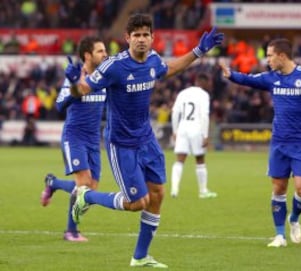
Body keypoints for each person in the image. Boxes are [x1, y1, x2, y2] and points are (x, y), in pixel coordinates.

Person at [64, 13, 223, 268]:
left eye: (145, 34)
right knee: (137, 203)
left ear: (152, 38)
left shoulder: (153, 60)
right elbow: (82, 90)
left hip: (146, 140)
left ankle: (140, 256)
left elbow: (170, 68)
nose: (141, 39)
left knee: (158, 194)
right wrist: (74, 82)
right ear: (127, 38)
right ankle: (86, 197)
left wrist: (198, 51)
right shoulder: (113, 66)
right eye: (136, 35)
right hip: (121, 144)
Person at [219, 38, 301, 247]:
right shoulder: (271, 78)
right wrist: (231, 75)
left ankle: (294, 219)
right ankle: (279, 235)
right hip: (279, 143)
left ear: (282, 56)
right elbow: (250, 79)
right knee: (278, 188)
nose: (268, 60)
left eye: (270, 55)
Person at [40, 36, 107, 241]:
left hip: (94, 140)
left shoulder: (105, 77)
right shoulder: (74, 76)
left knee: (90, 191)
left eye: (105, 51)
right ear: (87, 55)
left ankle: (53, 183)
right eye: (100, 51)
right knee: (83, 184)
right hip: (74, 137)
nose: (105, 54)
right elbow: (60, 106)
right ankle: (71, 231)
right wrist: (74, 85)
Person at [170, 73, 217, 199]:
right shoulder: (204, 95)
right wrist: (206, 134)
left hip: (182, 127)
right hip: (196, 128)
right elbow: (204, 115)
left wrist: (175, 131)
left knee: (179, 159)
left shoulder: (183, 93)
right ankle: (203, 191)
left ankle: (174, 189)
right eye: (209, 83)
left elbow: (175, 113)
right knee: (200, 160)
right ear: (204, 82)